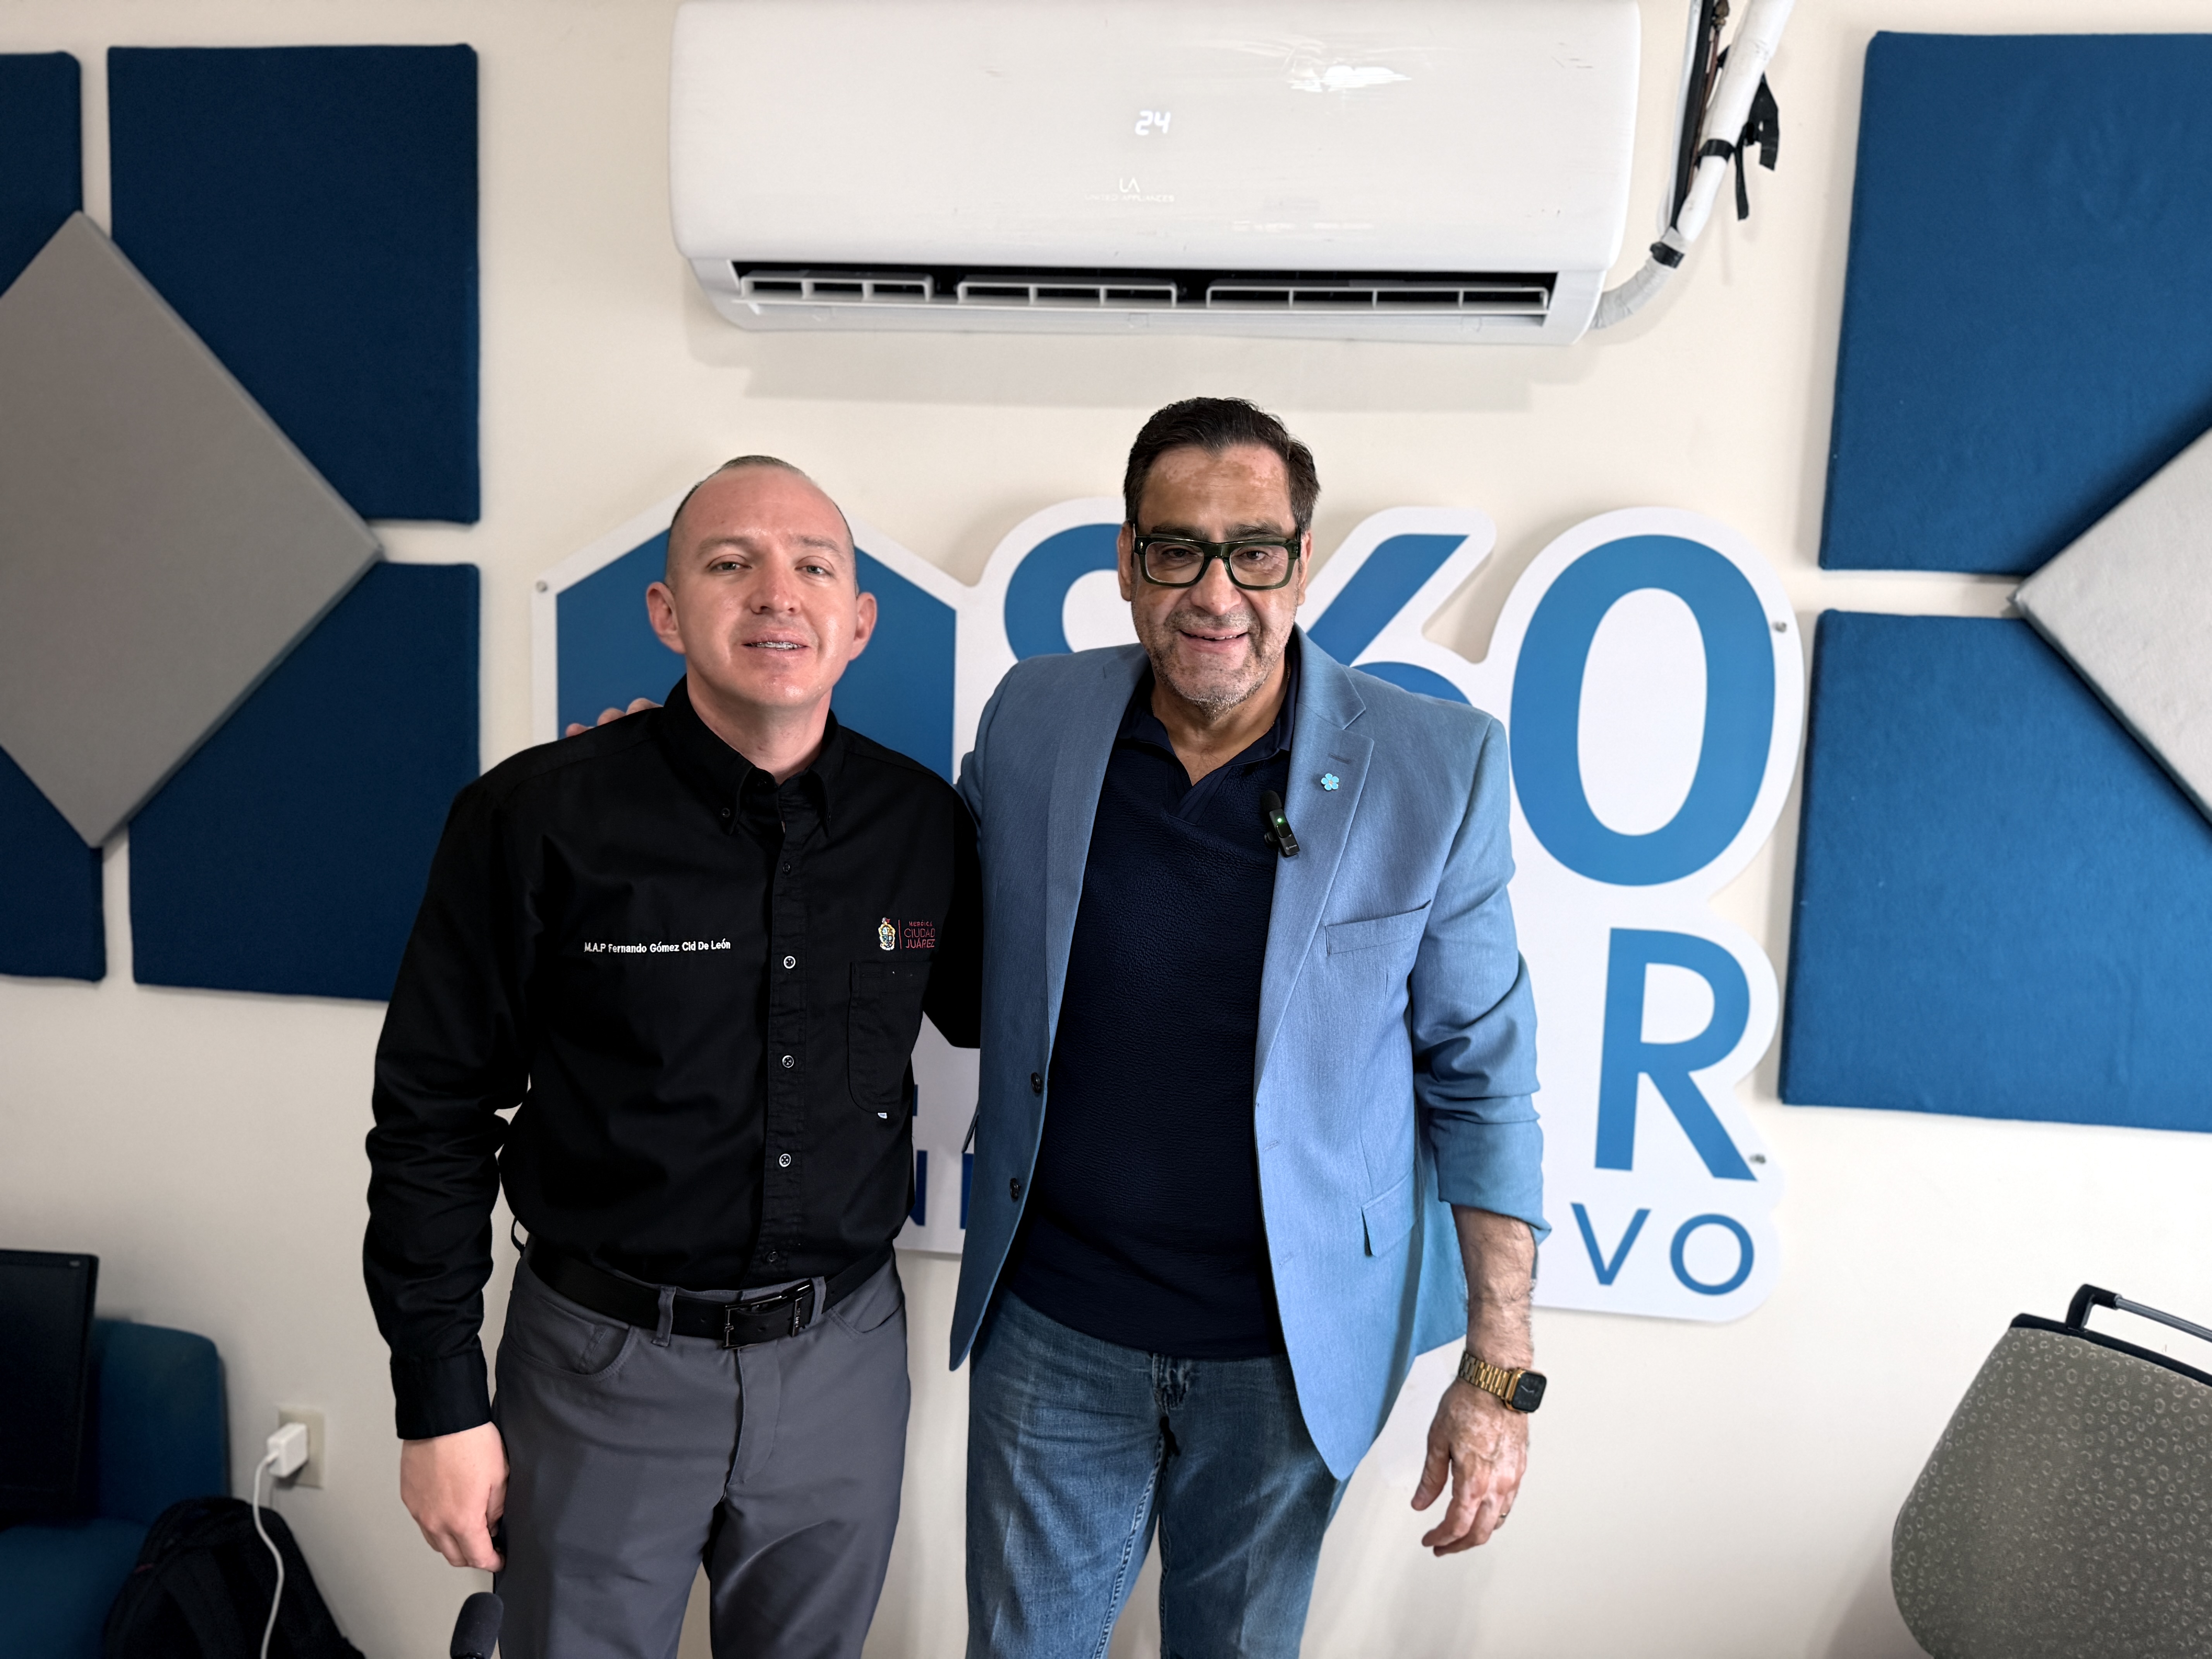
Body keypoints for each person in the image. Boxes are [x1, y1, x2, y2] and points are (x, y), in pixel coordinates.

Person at [953, 398, 1545, 1658]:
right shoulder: (1032, 721)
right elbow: (916, 915)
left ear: (1302, 561)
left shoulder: (1438, 767)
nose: (1216, 592)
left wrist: (1498, 1373)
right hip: (1055, 1327)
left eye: (1255, 551)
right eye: (1177, 550)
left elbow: (1483, 1078)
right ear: (1128, 563)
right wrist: (676, 793)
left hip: (1285, 1354)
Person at [364, 456, 981, 1659]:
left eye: (814, 566)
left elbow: (1017, 1022)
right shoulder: (534, 818)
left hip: (842, 1365)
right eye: (730, 562)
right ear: (665, 611)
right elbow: (433, 1113)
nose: (777, 593)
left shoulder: (922, 826)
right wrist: (438, 1401)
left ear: (858, 621)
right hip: (600, 1368)